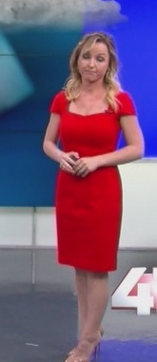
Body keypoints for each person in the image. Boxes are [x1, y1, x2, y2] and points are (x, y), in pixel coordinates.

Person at [42, 31, 144, 362]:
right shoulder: (63, 99)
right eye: (87, 56)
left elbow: (136, 147)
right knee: (79, 266)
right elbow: (48, 143)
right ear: (77, 60)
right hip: (69, 188)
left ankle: (87, 341)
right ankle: (89, 329)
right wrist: (61, 157)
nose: (92, 64)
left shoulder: (119, 101)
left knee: (97, 267)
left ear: (109, 64)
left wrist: (98, 160)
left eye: (100, 59)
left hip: (102, 191)